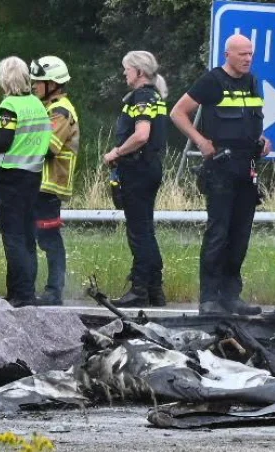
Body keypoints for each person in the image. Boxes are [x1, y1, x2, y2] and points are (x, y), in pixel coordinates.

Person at [171, 34, 268, 315]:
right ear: (228, 54)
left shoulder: (252, 82)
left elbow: (252, 120)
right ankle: (209, 298)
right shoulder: (212, 80)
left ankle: (231, 296)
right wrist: (200, 141)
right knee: (218, 233)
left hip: (246, 167)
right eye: (242, 54)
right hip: (221, 168)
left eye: (250, 53)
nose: (248, 58)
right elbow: (178, 113)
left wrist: (261, 140)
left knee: (240, 234)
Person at [0, 56, 52, 308]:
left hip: (11, 178)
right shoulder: (38, 105)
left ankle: (21, 294)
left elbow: (2, 143)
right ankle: (23, 292)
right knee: (27, 236)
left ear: (5, 79)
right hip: (32, 176)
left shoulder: (10, 107)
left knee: (13, 238)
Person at [102, 51, 168, 308]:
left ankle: (140, 288)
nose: (124, 73)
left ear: (139, 72)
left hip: (138, 169)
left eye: (127, 69)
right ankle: (154, 288)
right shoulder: (154, 96)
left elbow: (141, 135)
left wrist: (116, 153)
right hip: (150, 167)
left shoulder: (141, 97)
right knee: (146, 229)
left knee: (139, 232)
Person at [30, 55, 79, 306]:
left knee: (49, 238)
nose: (34, 85)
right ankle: (45, 289)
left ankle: (54, 291)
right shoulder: (49, 108)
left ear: (53, 83)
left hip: (50, 183)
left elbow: (48, 147)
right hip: (40, 183)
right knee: (38, 236)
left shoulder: (60, 111)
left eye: (39, 81)